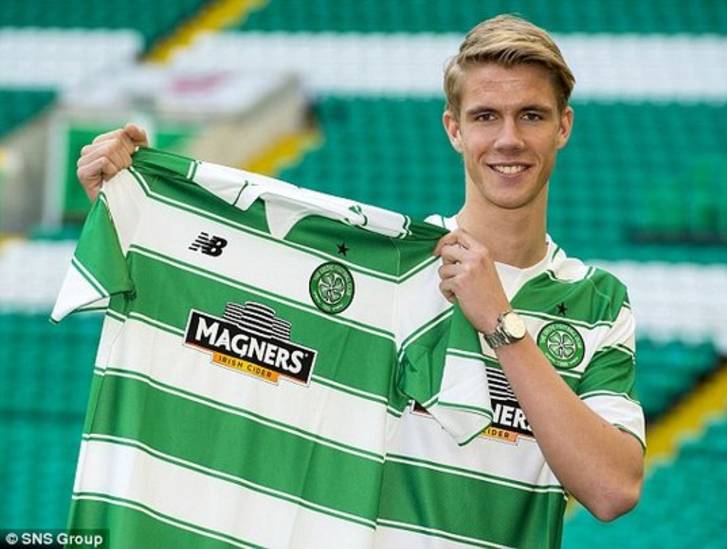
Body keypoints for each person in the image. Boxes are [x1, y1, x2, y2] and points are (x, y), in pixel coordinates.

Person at [76, 14, 644, 547]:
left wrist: (500, 322)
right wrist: (144, 212)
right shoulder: (386, 272)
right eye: (485, 116)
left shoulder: (596, 303)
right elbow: (222, 317)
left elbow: (612, 489)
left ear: (563, 126)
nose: (509, 139)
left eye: (532, 116)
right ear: (454, 129)